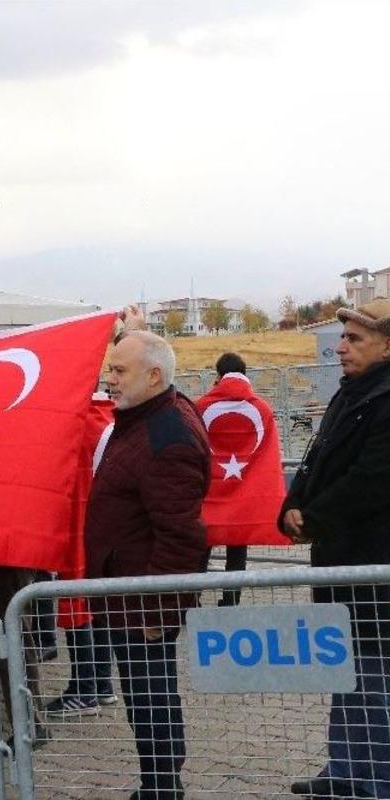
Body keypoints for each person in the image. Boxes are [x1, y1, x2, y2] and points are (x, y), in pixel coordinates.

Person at [85, 329, 211, 800]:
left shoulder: (167, 435)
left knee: (151, 698)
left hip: (143, 603)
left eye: (120, 370)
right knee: (145, 697)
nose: (110, 379)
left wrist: (156, 611)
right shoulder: (144, 417)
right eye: (110, 369)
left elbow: (182, 535)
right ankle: (158, 784)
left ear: (154, 375)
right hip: (127, 593)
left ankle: (161, 788)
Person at [281, 298, 390, 800]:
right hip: (341, 563)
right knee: (347, 671)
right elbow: (316, 460)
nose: (341, 347)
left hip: (373, 565)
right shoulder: (351, 393)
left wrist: (315, 517)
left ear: (387, 347)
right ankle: (345, 770)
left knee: (375, 677)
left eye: (354, 339)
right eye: (342, 337)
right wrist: (292, 506)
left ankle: (377, 779)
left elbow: (372, 478)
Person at [201, 351, 266, 607]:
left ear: (218, 376)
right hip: (243, 490)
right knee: (237, 551)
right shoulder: (261, 408)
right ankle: (231, 600)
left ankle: (191, 600)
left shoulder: (202, 406)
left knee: (202, 547)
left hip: (211, 491)